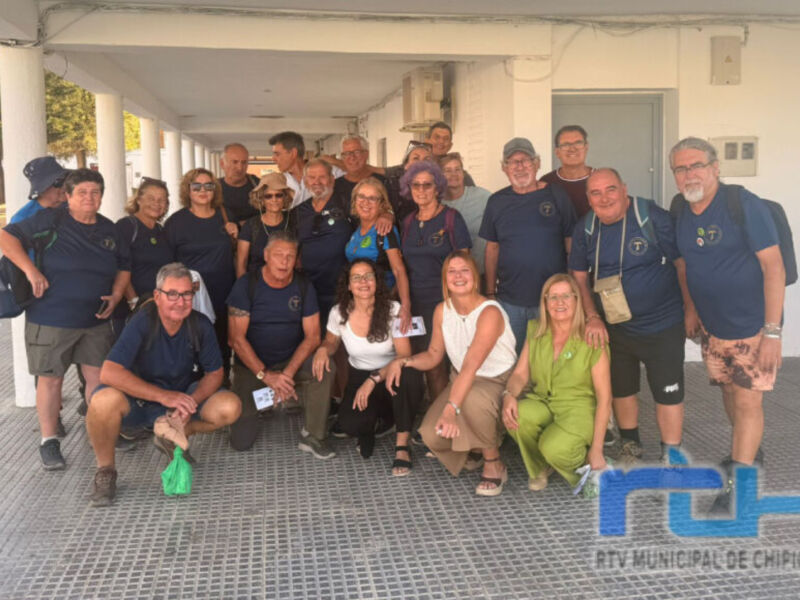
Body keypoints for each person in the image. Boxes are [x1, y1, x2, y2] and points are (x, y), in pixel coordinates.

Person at [669, 137, 785, 515]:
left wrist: (772, 332)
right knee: (730, 394)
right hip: (713, 326)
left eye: (696, 165)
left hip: (752, 324)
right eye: (680, 168)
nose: (689, 174)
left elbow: (774, 266)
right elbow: (684, 264)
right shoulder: (681, 208)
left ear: (716, 167)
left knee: (749, 399)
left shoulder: (742, 204)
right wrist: (690, 308)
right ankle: (749, 453)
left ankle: (740, 484)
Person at [0, 168, 131, 470]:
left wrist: (116, 294)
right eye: (82, 192)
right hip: (51, 318)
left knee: (98, 380)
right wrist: (31, 271)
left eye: (95, 192)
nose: (89, 198)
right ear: (68, 196)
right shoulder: (50, 220)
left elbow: (124, 266)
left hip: (95, 319)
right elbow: (6, 237)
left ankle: (98, 431)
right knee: (51, 380)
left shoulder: (110, 229)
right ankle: (49, 441)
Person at [85, 263, 241, 506]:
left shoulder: (200, 324)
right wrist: (164, 396)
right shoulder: (142, 321)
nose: (180, 301)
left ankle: (172, 434)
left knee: (230, 406)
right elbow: (109, 372)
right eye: (172, 294)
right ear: (157, 296)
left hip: (180, 399)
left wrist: (191, 403)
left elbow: (215, 373)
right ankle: (106, 470)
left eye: (187, 294)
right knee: (101, 402)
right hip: (139, 401)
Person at [569, 168, 688, 465]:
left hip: (663, 324)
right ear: (588, 199)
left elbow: (682, 264)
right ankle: (630, 446)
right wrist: (592, 316)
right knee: (622, 389)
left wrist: (692, 310)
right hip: (614, 328)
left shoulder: (652, 217)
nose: (604, 198)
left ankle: (671, 457)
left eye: (610, 189)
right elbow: (579, 278)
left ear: (624, 189)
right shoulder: (586, 228)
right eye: (595, 193)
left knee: (668, 393)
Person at [406, 251, 516, 495]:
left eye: (464, 270)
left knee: (471, 399)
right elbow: (434, 355)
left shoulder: (490, 311)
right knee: (431, 436)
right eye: (452, 271)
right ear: (445, 279)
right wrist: (403, 362)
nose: (458, 276)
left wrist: (450, 409)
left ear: (475, 277)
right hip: (463, 377)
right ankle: (474, 449)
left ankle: (493, 462)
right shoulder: (441, 310)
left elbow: (471, 366)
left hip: (497, 379)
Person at [227, 231, 334, 458]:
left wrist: (286, 374)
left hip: (289, 362)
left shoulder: (304, 286)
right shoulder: (247, 285)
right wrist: (266, 376)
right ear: (266, 255)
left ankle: (314, 435)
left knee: (325, 366)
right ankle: (264, 399)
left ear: (297, 259)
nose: (284, 262)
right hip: (253, 368)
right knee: (241, 442)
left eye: (290, 256)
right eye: (278, 255)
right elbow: (236, 339)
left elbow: (313, 336)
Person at [501, 274, 612, 491]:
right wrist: (509, 395)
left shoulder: (592, 337)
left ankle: (585, 466)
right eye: (552, 297)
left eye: (565, 296)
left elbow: (605, 398)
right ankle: (540, 466)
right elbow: (520, 374)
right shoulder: (536, 330)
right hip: (543, 401)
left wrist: (597, 450)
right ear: (545, 303)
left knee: (554, 447)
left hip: (578, 410)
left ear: (576, 300)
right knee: (517, 415)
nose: (559, 303)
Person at [312, 259, 424, 473]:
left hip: (392, 373)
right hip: (359, 375)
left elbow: (404, 355)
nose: (363, 282)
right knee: (349, 424)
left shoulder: (394, 309)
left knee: (409, 374)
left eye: (368, 276)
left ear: (377, 281)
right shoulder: (339, 312)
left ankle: (402, 445)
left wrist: (373, 380)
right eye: (356, 277)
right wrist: (322, 349)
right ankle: (376, 423)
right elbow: (331, 341)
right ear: (348, 285)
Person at [480, 137, 576, 355]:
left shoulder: (556, 195)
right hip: (510, 300)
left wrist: (573, 287)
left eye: (526, 160)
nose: (520, 166)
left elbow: (570, 243)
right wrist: (490, 291)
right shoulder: (496, 202)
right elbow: (492, 249)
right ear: (504, 168)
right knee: (513, 356)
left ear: (538, 163)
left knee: (551, 356)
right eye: (513, 162)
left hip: (553, 299)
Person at [399, 161, 472, 403]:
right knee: (430, 363)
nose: (421, 190)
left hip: (447, 303)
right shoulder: (408, 222)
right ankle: (437, 414)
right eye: (415, 185)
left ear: (437, 187)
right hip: (417, 304)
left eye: (427, 185)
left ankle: (455, 415)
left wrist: (461, 305)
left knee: (453, 361)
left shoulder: (451, 218)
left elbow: (465, 264)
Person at [165, 168, 238, 380]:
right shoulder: (176, 223)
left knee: (222, 340)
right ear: (188, 190)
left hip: (224, 290)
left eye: (209, 185)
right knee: (191, 340)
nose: (203, 190)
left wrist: (236, 232)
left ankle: (221, 384)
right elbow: (168, 263)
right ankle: (193, 387)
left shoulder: (225, 216)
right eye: (196, 186)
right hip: (191, 295)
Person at [291, 158, 355, 327]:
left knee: (341, 336)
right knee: (313, 335)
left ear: (332, 179)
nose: (317, 182)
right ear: (305, 181)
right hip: (309, 289)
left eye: (322, 177)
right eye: (312, 178)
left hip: (342, 288)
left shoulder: (347, 204)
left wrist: (388, 213)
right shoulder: (298, 212)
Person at [344, 177, 411, 329]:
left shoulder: (385, 230)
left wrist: (405, 307)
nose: (366, 202)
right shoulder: (356, 230)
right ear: (354, 200)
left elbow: (399, 270)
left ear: (381, 204)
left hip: (382, 303)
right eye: (361, 196)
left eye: (373, 198)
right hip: (359, 302)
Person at [115, 177, 173, 318]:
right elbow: (119, 266)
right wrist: (134, 301)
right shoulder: (126, 226)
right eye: (151, 198)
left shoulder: (161, 230)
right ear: (139, 200)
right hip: (134, 308)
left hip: (158, 306)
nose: (156, 203)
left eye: (161, 200)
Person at [440, 152, 491, 277]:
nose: (454, 174)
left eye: (458, 169)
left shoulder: (483, 197)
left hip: (481, 275)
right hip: (450, 277)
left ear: (463, 173)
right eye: (448, 170)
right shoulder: (436, 204)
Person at [235, 172, 295, 278]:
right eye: (268, 196)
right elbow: (241, 263)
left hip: (288, 283)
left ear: (285, 197)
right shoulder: (250, 226)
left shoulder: (294, 222)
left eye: (278, 195)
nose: (274, 200)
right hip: (256, 286)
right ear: (261, 200)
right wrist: (243, 290)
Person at [270, 131, 343, 208]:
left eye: (277, 154)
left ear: (293, 153)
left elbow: (355, 176)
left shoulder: (330, 170)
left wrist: (335, 161)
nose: (273, 159)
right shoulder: (279, 182)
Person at [540, 125, 594, 218]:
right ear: (557, 152)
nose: (572, 149)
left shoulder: (601, 180)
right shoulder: (546, 183)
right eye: (565, 145)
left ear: (586, 147)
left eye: (578, 143)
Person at [11, 156, 69, 224]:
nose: (64, 185)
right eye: (58, 182)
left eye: (66, 179)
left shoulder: (74, 205)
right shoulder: (22, 219)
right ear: (41, 190)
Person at [332, 135, 388, 201]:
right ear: (342, 157)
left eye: (357, 152)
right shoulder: (334, 187)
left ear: (366, 154)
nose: (352, 157)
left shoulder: (383, 183)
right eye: (347, 153)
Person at [218, 142, 259, 225]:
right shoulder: (212, 189)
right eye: (235, 162)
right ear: (222, 164)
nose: (240, 168)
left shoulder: (259, 185)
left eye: (244, 162)